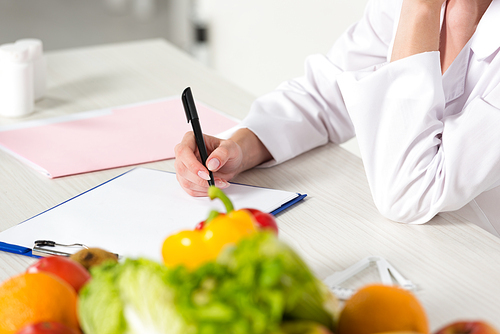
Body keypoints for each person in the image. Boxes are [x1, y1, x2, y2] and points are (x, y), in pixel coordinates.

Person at [175, 0, 500, 237]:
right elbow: (326, 96)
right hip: (431, 244)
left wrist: (420, 10)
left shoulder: (421, 6)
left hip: (479, 266)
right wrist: (241, 146)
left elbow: (408, 194)